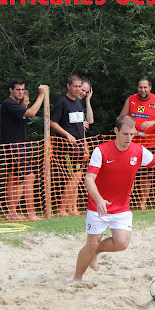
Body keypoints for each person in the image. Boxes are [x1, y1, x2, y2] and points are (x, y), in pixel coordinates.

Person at [72, 115, 155, 282]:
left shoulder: (138, 151)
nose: (129, 138)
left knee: (121, 243)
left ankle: (96, 252)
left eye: (132, 134)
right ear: (116, 131)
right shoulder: (101, 150)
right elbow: (89, 179)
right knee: (91, 243)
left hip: (121, 207)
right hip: (98, 205)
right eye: (125, 134)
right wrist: (98, 199)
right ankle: (76, 279)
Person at [120, 75, 155, 210]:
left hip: (150, 144)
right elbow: (121, 118)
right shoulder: (131, 99)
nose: (142, 90)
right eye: (140, 87)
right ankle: (125, 202)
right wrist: (130, 129)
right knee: (128, 173)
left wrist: (153, 122)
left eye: (145, 87)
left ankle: (143, 203)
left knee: (146, 176)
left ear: (150, 88)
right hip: (131, 143)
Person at [1, 78, 48, 221]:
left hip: (21, 147)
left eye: (22, 89)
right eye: (18, 89)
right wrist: (41, 95)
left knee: (15, 179)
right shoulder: (9, 103)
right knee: (29, 177)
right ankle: (31, 213)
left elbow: (27, 107)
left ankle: (12, 213)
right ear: (11, 90)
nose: (21, 92)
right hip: (14, 147)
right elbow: (32, 113)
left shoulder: (17, 104)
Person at [50, 75, 89, 216]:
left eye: (79, 86)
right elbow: (52, 122)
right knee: (75, 176)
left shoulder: (79, 102)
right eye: (75, 86)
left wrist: (84, 143)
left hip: (79, 145)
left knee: (76, 177)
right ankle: (62, 208)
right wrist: (67, 135)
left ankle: (72, 208)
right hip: (67, 146)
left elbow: (80, 126)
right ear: (68, 86)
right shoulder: (62, 102)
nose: (78, 89)